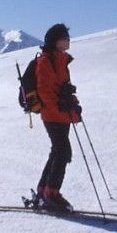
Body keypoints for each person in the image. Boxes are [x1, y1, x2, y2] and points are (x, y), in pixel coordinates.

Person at [34, 23, 82, 211]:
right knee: (63, 152)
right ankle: (51, 194)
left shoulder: (61, 59)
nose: (68, 40)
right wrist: (63, 107)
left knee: (57, 151)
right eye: (64, 37)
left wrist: (72, 102)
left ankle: (43, 190)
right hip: (53, 115)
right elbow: (45, 92)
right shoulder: (46, 61)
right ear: (55, 41)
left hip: (60, 114)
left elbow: (61, 88)